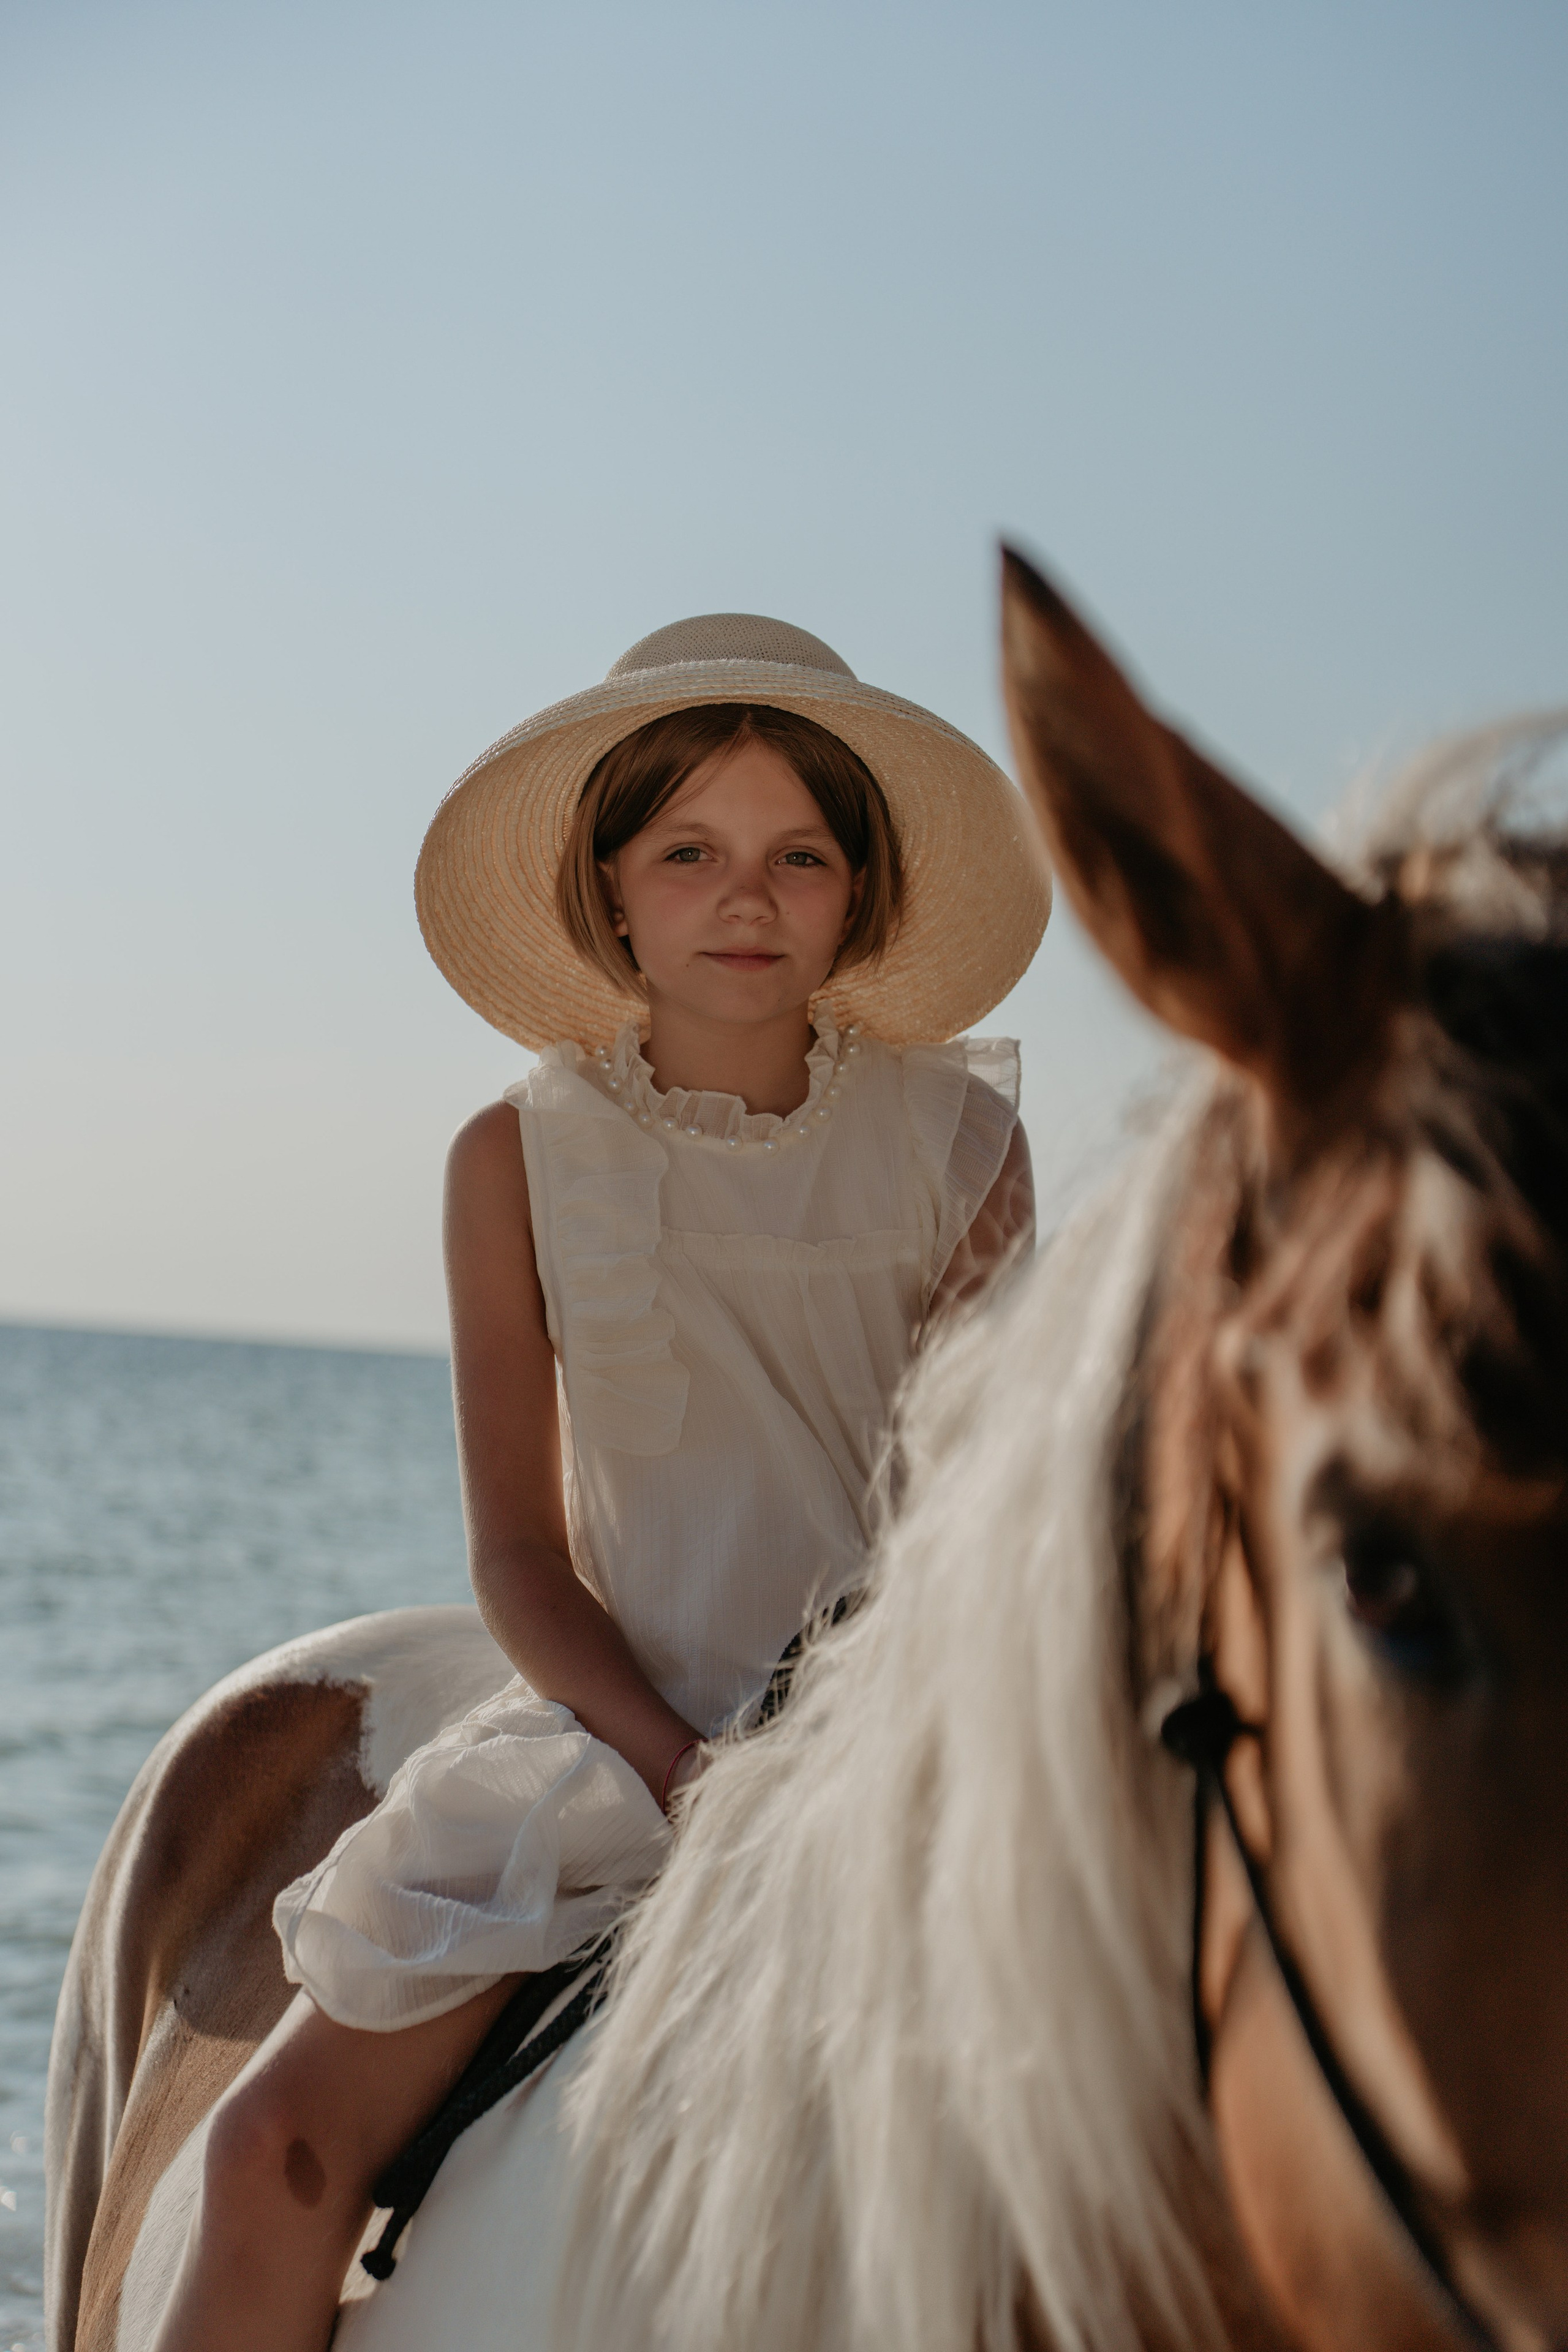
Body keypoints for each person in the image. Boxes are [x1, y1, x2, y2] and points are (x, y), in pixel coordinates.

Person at [153, 610, 1049, 2350]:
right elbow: (516, 1556)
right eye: (692, 851)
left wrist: (861, 1761)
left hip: (906, 1750)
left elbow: (990, 1513)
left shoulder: (968, 1145)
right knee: (267, 2146)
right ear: (611, 888)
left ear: (857, 895)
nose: (747, 895)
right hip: (615, 1741)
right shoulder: (513, 1159)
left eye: (800, 855)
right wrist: (686, 1768)